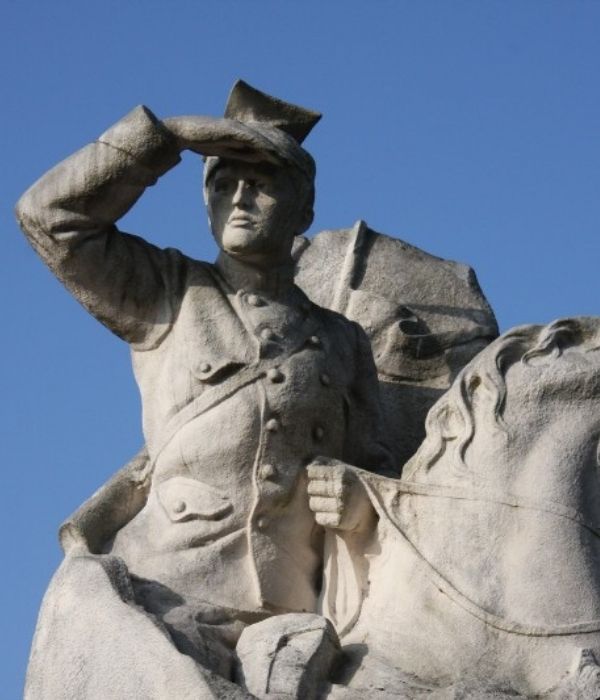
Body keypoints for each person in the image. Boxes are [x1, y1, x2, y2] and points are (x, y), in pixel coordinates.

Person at [17, 81, 394, 684]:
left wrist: (359, 501)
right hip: (167, 601)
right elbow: (49, 216)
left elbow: (378, 462)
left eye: (261, 184)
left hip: (292, 616)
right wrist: (165, 137)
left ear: (303, 211)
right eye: (223, 184)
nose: (239, 199)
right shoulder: (165, 289)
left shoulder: (345, 340)